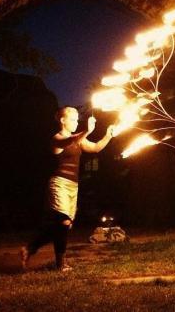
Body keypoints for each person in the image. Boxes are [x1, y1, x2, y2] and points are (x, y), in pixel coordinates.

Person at [20, 107, 114, 271]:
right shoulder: (57, 139)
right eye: (73, 119)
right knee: (64, 221)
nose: (76, 122)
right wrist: (86, 130)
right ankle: (60, 264)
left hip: (73, 186)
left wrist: (108, 134)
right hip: (59, 184)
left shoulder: (78, 138)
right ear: (62, 120)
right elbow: (67, 142)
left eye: (77, 120)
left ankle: (30, 248)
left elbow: (96, 147)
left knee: (64, 226)